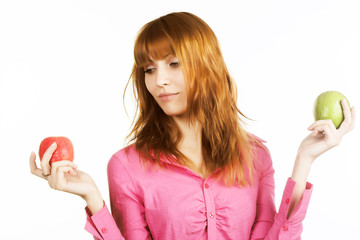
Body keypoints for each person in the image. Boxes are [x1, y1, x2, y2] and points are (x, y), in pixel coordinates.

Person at [30, 12, 355, 240]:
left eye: (173, 63)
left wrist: (304, 161)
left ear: (207, 66)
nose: (160, 81)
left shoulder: (255, 156)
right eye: (149, 69)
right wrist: (92, 198)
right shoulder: (126, 167)